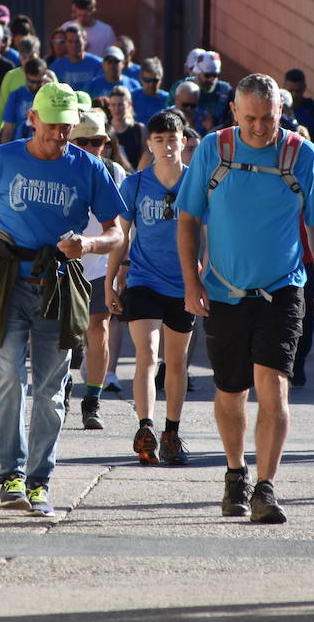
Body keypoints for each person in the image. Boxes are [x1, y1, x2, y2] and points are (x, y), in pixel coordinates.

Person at [176, 74, 314, 524]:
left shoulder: (300, 153)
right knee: (231, 392)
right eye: (250, 118)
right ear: (234, 111)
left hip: (283, 288)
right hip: (224, 291)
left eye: (268, 118)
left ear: (280, 113)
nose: (260, 128)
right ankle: (235, 474)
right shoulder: (214, 149)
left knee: (274, 386)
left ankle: (266, 487)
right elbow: (188, 218)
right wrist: (191, 281)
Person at [0, 82, 128, 516]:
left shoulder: (89, 167)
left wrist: (89, 245)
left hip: (59, 281)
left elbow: (117, 231)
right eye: (51, 127)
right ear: (32, 120)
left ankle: (39, 479)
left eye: (67, 129)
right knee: (10, 376)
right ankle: (10, 474)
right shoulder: (3, 158)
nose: (59, 136)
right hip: (6, 281)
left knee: (51, 390)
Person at [107, 110, 194, 465]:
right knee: (148, 354)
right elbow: (120, 235)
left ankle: (171, 432)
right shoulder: (136, 183)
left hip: (184, 283)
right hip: (143, 279)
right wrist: (112, 282)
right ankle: (145, 427)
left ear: (183, 142)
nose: (166, 146)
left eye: (172, 139)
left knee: (177, 362)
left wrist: (209, 278)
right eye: (159, 140)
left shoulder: (194, 182)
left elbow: (208, 234)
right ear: (149, 144)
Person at [66, 110, 126, 431]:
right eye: (83, 141)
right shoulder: (60, 168)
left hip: (100, 264)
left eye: (98, 141)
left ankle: (92, 401)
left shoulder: (114, 173)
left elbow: (125, 227)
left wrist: (123, 268)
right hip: (65, 264)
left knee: (98, 331)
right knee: (63, 336)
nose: (91, 147)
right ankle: (62, 387)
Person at [0, 35, 42, 140]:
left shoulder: (48, 76)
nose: (27, 62)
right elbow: (1, 109)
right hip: (18, 137)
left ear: (38, 54)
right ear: (19, 57)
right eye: (24, 58)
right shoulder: (11, 76)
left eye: (31, 57)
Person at [0, 58, 51, 144]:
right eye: (31, 81)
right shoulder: (16, 95)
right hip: (21, 145)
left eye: (39, 82)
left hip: (43, 144)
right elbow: (8, 128)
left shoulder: (49, 95)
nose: (35, 86)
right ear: (25, 76)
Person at [281, 68, 314, 151]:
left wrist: (306, 143)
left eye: (298, 91)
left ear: (304, 88)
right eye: (291, 90)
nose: (294, 95)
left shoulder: (313, 108)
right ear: (284, 88)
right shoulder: (276, 109)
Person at [192, 53, 233, 132]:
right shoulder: (186, 88)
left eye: (215, 75)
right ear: (198, 73)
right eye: (207, 75)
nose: (211, 79)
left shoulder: (226, 91)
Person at [132, 57, 169, 125]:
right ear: (141, 79)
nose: (151, 84)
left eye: (155, 80)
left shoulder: (167, 99)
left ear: (161, 78)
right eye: (147, 80)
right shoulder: (133, 96)